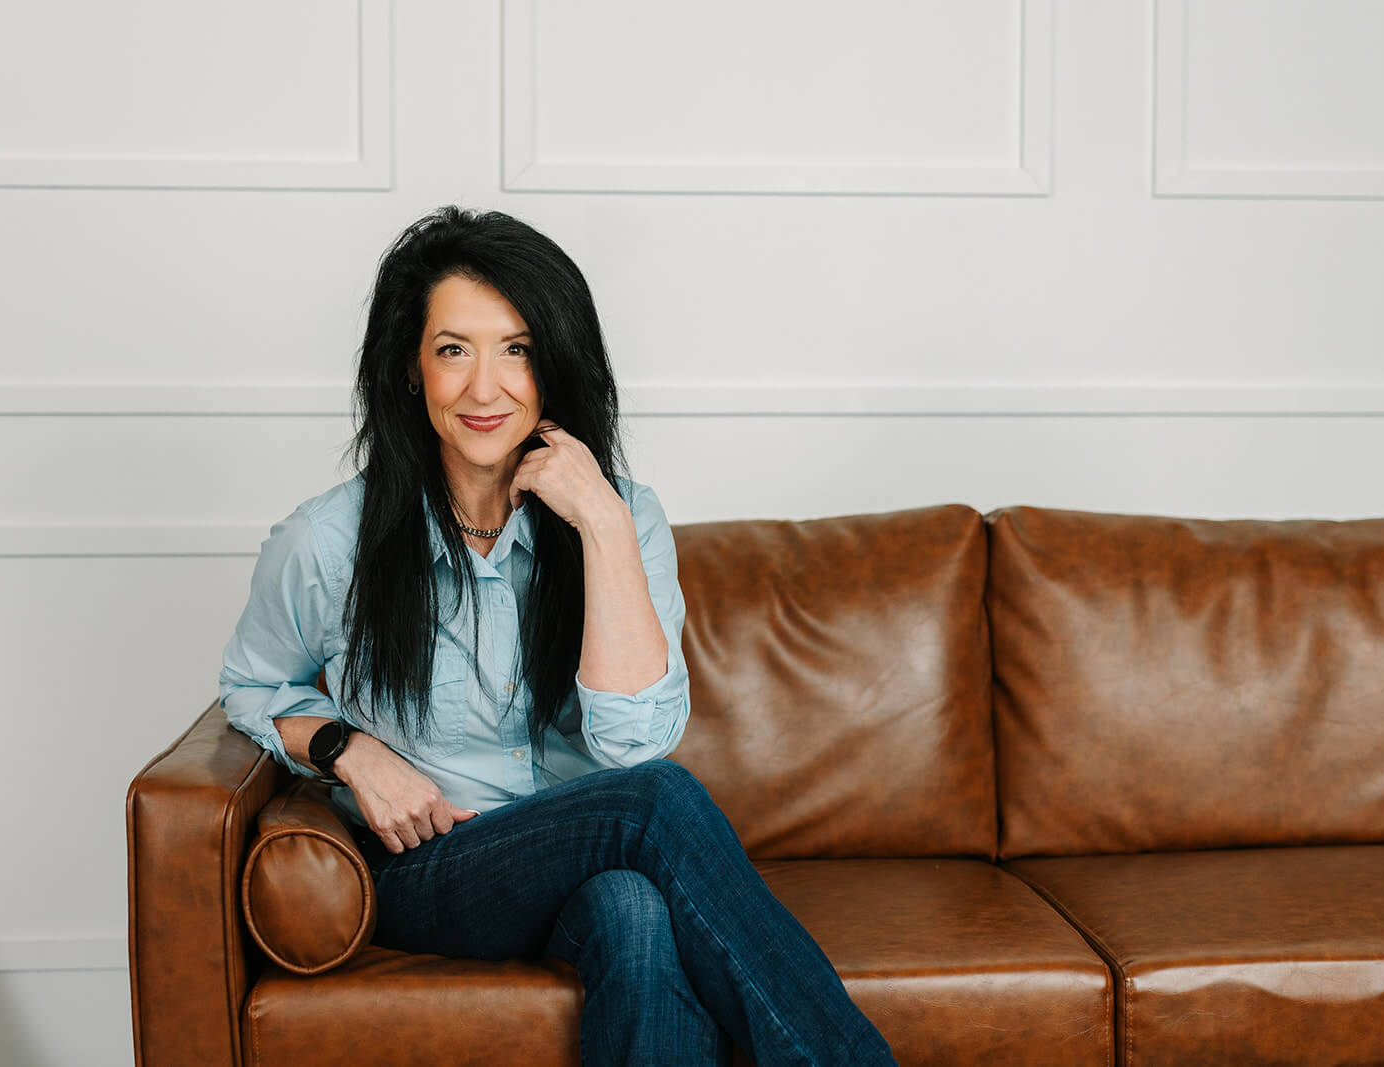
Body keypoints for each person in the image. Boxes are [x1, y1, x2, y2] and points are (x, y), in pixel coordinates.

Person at [219, 206, 896, 1065]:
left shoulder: (622, 516)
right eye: (453, 349)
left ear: (555, 366)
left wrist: (603, 526)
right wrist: (348, 748)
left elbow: (632, 741)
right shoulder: (327, 540)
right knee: (656, 802)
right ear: (410, 369)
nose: (485, 388)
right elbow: (252, 685)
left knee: (632, 910)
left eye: (517, 349)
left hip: (580, 862)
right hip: (433, 868)